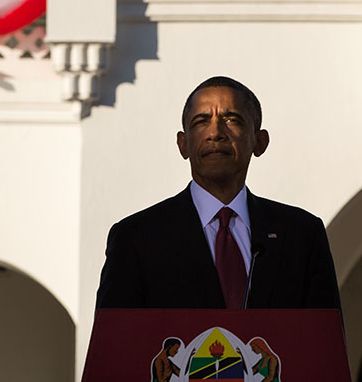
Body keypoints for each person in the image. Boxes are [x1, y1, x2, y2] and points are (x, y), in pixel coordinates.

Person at [95, 76, 342, 311]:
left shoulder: (302, 235)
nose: (215, 133)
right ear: (183, 144)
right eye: (201, 121)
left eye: (232, 119)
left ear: (259, 141)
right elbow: (115, 344)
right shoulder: (137, 238)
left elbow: (324, 342)